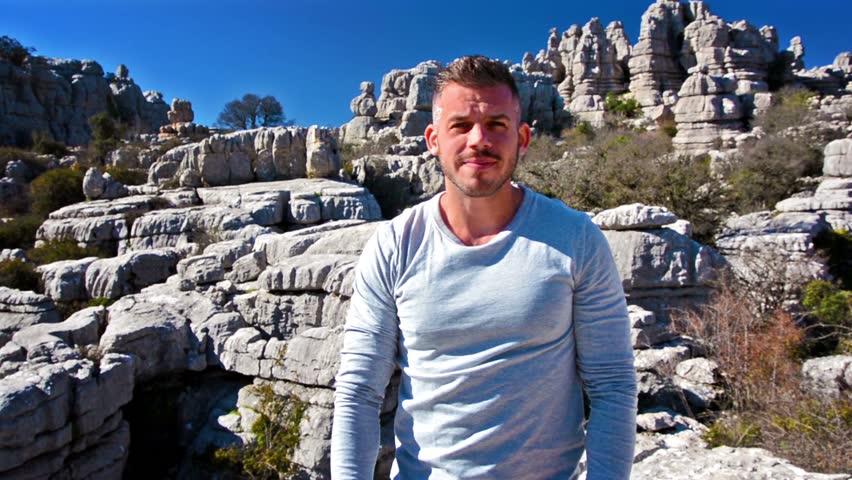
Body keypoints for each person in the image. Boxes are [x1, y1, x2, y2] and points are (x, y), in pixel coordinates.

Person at [331, 55, 636, 479]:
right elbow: (359, 391)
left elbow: (613, 386)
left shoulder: (576, 238)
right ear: (433, 139)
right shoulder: (394, 245)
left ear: (523, 137)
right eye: (461, 125)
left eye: (497, 124)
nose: (479, 139)